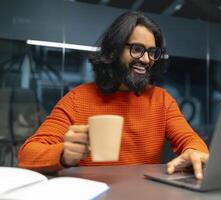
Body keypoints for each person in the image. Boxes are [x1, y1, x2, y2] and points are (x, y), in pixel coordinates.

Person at [18, 11, 209, 179]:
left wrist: (194, 151)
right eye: (136, 49)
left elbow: (192, 141)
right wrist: (64, 154)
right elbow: (28, 154)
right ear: (114, 50)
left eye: (152, 52)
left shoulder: (161, 100)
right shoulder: (77, 99)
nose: (145, 59)